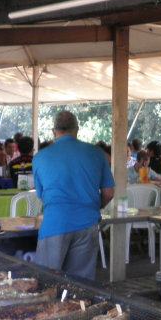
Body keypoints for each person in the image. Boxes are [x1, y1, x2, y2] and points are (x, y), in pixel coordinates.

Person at [32, 110, 114, 280]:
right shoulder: (97, 153)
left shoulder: (40, 157)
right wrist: (93, 206)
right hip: (87, 223)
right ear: (77, 129)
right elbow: (109, 192)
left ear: (54, 131)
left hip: (55, 223)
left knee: (46, 282)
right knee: (81, 286)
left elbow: (41, 195)